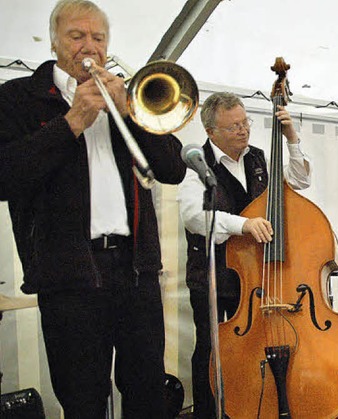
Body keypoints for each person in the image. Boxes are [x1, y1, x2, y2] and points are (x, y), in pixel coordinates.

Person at [0, 1, 186, 417]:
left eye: (98, 38)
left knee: (146, 390)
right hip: (68, 274)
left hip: (135, 269)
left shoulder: (129, 96)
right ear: (53, 42)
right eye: (76, 35)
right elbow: (6, 176)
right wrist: (71, 121)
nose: (90, 46)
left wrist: (130, 113)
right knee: (82, 396)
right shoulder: (17, 98)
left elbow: (172, 169)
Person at [177, 91, 310, 418]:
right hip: (211, 277)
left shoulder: (259, 159)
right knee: (210, 351)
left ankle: (251, 408)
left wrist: (291, 137)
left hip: (254, 278)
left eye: (245, 122)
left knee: (252, 350)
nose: (243, 130)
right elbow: (194, 216)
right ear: (211, 132)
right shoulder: (196, 163)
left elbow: (301, 180)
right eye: (233, 126)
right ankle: (209, 413)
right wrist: (243, 224)